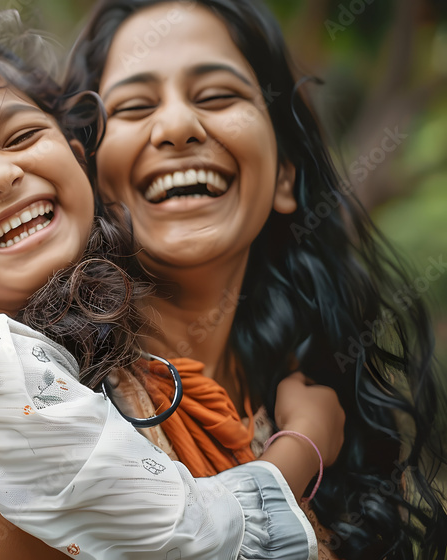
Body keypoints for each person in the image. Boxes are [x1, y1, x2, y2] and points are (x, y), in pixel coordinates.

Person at [0, 18, 343, 559]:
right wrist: (305, 445)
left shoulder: (86, 365)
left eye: (22, 136)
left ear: (78, 161)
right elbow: (184, 538)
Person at [64, 1, 447, 558]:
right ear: (89, 177)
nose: (175, 127)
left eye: (218, 95)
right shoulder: (49, 400)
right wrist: (300, 454)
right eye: (135, 105)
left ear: (285, 174)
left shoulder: (325, 408)